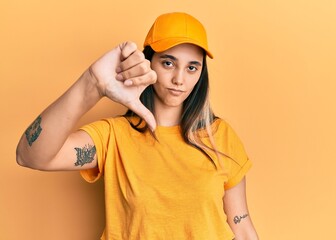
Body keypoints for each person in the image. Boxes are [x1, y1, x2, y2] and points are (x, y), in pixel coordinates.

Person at [16, 12, 258, 240]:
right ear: (148, 62)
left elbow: (242, 228)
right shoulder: (114, 136)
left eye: (192, 67)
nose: (179, 79)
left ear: (201, 74)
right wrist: (91, 83)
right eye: (168, 63)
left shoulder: (220, 135)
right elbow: (30, 156)